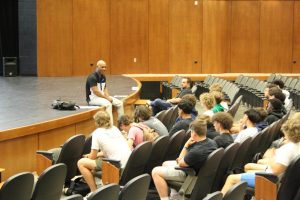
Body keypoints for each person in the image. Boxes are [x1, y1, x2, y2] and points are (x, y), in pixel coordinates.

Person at [221, 114, 300, 195]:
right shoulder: (296, 145)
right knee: (248, 168)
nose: (284, 137)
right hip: (278, 180)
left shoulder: (288, 149)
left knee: (231, 178)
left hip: (269, 180)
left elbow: (276, 171)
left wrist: (271, 156)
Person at [152, 120, 217, 200]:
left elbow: (180, 162)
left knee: (155, 172)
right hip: (198, 172)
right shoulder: (212, 143)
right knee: (165, 163)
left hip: (190, 174)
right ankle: (175, 196)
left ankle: (164, 199)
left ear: (193, 133)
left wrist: (186, 145)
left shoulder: (196, 152)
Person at [77, 111, 131, 198]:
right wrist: (98, 154)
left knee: (81, 163)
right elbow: (112, 149)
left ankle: (93, 192)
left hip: (116, 165)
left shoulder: (97, 133)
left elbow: (92, 157)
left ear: (97, 122)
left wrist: (89, 156)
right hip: (128, 163)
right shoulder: (115, 129)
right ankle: (100, 186)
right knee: (97, 163)